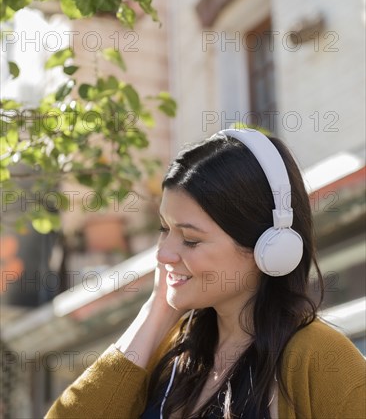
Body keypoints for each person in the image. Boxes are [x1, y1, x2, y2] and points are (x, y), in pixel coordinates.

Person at [46, 128, 365, 419]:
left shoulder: (323, 360)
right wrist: (157, 311)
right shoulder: (170, 356)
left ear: (269, 247)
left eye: (191, 239)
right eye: (164, 228)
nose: (163, 254)